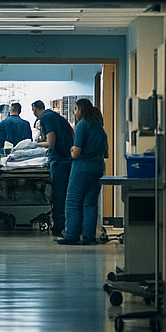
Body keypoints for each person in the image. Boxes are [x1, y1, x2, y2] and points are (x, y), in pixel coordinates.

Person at [57, 97, 109, 246]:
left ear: (80, 109)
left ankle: (72, 235)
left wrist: (72, 150)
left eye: (76, 109)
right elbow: (105, 152)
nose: (75, 113)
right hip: (97, 167)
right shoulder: (99, 127)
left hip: (82, 168)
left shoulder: (82, 125)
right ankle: (89, 237)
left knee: (73, 201)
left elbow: (76, 153)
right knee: (90, 203)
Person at [30, 100, 75, 238]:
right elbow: (72, 133)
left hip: (59, 161)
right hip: (68, 159)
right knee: (68, 195)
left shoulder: (45, 118)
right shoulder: (57, 117)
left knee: (59, 196)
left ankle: (58, 227)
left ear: (35, 109)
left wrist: (34, 145)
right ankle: (70, 226)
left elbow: (51, 142)